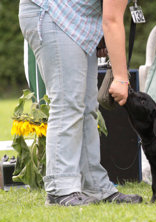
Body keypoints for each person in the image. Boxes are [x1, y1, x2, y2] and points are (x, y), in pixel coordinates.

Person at [18, 0, 142, 206]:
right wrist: (121, 77)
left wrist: (99, 35)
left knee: (87, 108)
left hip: (80, 17)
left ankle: (95, 185)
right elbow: (112, 21)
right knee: (68, 103)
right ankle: (60, 189)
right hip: (52, 14)